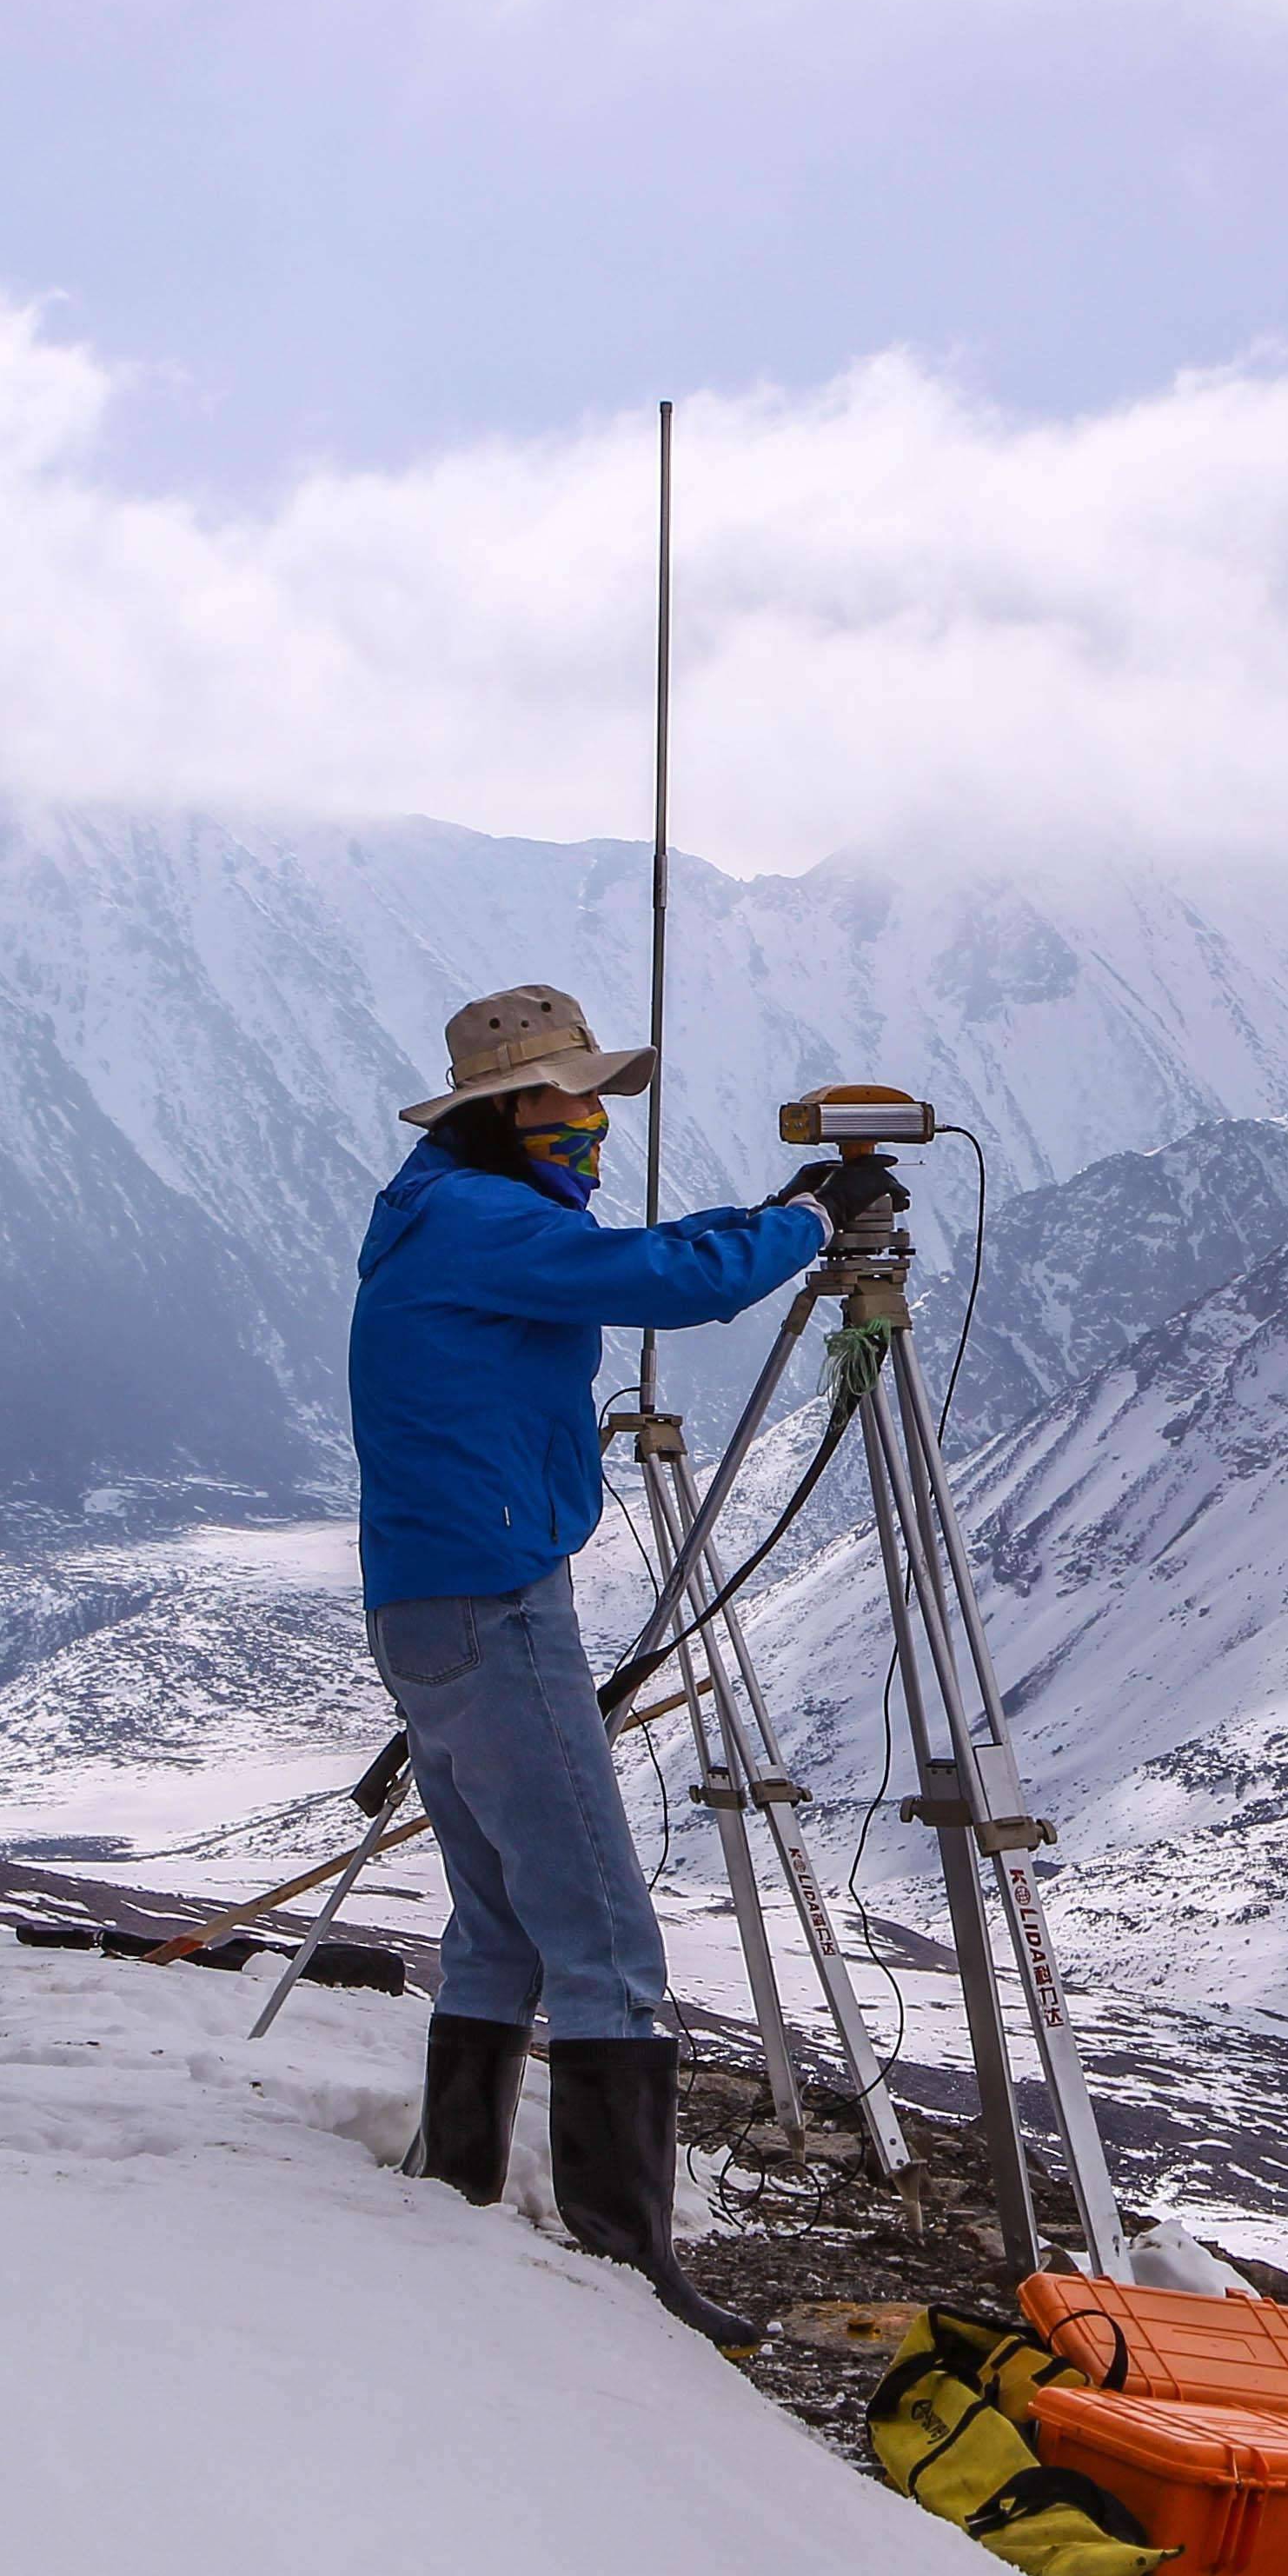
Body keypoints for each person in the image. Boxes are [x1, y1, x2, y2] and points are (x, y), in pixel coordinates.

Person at [350, 982, 840, 2354]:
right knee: (607, 1936)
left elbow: (633, 1259)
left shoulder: (442, 1209)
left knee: (501, 1919)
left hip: (434, 1600)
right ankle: (625, 2264)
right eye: (570, 1100)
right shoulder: (484, 1221)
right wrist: (801, 1227)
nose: (593, 1124)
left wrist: (765, 1222)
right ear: (505, 1114)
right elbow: (667, 1284)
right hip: (497, 1604)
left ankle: (453, 2183)